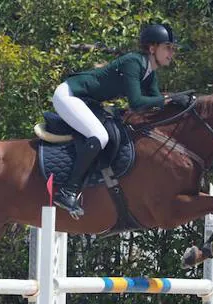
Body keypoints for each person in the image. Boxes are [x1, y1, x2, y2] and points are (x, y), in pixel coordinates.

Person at [52, 23, 189, 218]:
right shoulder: (133, 63)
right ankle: (67, 191)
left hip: (87, 101)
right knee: (99, 136)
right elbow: (137, 102)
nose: (171, 53)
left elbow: (156, 104)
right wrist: (171, 98)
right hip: (69, 95)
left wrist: (180, 103)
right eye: (168, 47)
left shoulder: (149, 72)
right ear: (152, 48)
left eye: (173, 49)